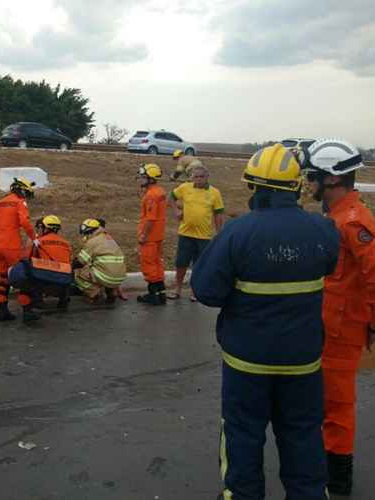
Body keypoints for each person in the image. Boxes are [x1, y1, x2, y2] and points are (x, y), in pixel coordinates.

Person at [191, 143, 339, 500]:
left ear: (252, 186)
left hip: (247, 363)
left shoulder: (237, 233)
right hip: (303, 362)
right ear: (296, 185)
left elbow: (207, 290)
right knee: (303, 434)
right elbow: (329, 268)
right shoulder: (323, 230)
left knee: (243, 434)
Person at [302, 138, 375, 495]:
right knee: (327, 402)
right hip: (329, 326)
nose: (308, 183)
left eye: (312, 176)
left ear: (331, 179)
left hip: (342, 329)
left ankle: (338, 479)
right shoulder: (336, 217)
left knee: (338, 406)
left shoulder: (352, 221)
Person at [167, 164, 224, 300]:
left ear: (207, 177)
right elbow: (171, 197)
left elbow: (218, 214)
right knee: (181, 264)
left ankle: (195, 292)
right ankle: (177, 289)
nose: (198, 179)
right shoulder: (185, 188)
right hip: (185, 234)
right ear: (192, 177)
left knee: (199, 266)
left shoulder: (215, 193)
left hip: (204, 237)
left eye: (201, 176)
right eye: (196, 176)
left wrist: (219, 233)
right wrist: (176, 211)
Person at [0, 177, 36, 322]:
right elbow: (25, 222)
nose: (26, 196)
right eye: (26, 193)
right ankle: (27, 312)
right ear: (21, 190)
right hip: (11, 246)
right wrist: (34, 237)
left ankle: (3, 311)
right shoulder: (19, 202)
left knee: (3, 278)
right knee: (23, 276)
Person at [22, 215, 73, 317]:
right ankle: (63, 300)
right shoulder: (67, 244)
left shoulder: (38, 242)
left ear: (44, 228)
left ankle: (36, 301)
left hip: (45, 281)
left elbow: (27, 259)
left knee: (26, 270)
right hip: (63, 282)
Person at [72, 218, 128, 305]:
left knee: (78, 272)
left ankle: (93, 294)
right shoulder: (109, 239)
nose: (84, 236)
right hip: (119, 278)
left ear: (89, 232)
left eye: (85, 234)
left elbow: (80, 262)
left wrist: (69, 268)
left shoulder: (92, 241)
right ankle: (110, 293)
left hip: (106, 277)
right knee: (102, 268)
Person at [136, 163, 167, 305]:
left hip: (150, 237)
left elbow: (150, 218)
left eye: (143, 177)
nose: (140, 179)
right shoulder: (160, 192)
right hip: (158, 236)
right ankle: (161, 294)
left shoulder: (151, 195)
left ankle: (153, 295)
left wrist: (143, 236)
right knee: (157, 264)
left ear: (150, 178)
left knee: (148, 265)